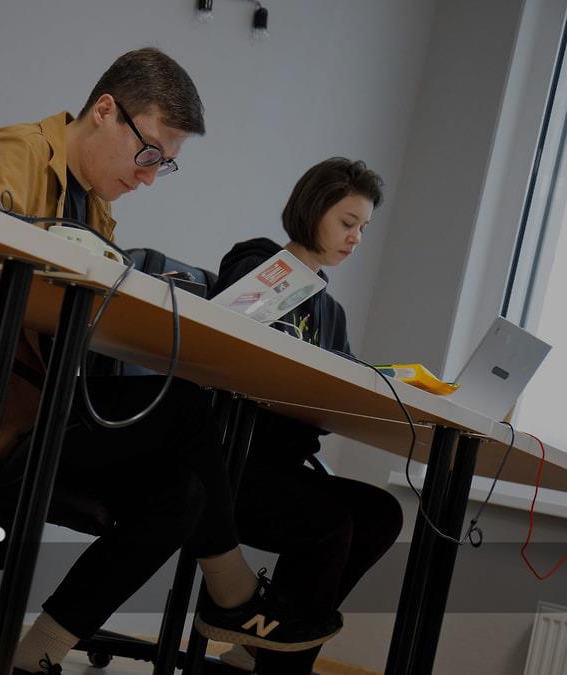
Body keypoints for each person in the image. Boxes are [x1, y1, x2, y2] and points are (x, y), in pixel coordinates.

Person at [0, 47, 342, 673]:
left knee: (182, 492)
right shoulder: (8, 155)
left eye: (165, 165)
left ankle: (33, 658)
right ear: (105, 110)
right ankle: (232, 594)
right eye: (149, 153)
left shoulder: (94, 205)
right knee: (183, 407)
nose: (149, 177)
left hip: (42, 404)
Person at [210, 157, 405, 674]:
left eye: (364, 228)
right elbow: (228, 337)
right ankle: (276, 662)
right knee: (327, 523)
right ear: (313, 209)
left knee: (381, 514)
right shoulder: (258, 261)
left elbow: (333, 393)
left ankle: (261, 650)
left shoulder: (331, 312)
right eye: (348, 222)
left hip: (283, 466)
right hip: (228, 461)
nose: (356, 238)